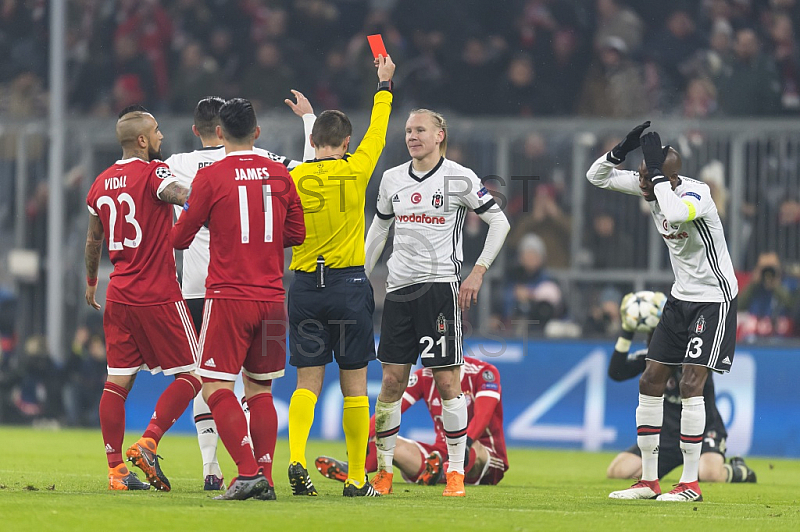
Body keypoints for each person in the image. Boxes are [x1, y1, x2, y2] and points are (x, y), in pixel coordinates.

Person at [165, 93, 315, 491]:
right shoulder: (278, 174)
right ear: (258, 132)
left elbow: (180, 238)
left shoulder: (210, 178)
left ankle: (248, 472)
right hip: (271, 298)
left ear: (218, 133)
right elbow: (297, 233)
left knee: (214, 384)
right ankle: (264, 474)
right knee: (260, 389)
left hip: (228, 297)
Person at [587, 122, 739, 502]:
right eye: (639, 175)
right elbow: (596, 176)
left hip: (713, 299)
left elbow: (673, 213)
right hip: (679, 298)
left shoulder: (696, 194)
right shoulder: (651, 185)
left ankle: (689, 483)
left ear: (669, 175)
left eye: (646, 175)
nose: (639, 182)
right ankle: (649, 481)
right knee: (650, 380)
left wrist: (654, 173)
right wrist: (622, 149)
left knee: (691, 385)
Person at [364, 108, 511, 497]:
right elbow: (380, 228)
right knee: (392, 382)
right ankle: (383, 472)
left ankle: (456, 472)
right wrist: (360, 275)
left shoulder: (460, 178)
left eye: (420, 130)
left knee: (448, 383)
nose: (412, 136)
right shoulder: (392, 178)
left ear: (439, 135)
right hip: (398, 292)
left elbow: (500, 223)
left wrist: (477, 271)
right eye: (409, 130)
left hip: (439, 291)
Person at [285, 54, 395, 498]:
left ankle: (295, 458)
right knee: (353, 384)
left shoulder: (293, 175)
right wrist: (383, 86)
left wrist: (309, 118)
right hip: (348, 287)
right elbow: (379, 132)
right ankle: (355, 479)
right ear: (346, 141)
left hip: (306, 287)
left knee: (307, 381)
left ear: (313, 142)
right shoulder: (354, 169)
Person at [84, 107, 201, 491]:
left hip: (117, 293)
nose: (161, 136)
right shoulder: (155, 173)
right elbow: (179, 195)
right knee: (194, 373)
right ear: (141, 140)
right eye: (156, 131)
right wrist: (206, 199)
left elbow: (93, 239)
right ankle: (149, 441)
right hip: (157, 292)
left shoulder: (100, 183)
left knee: (116, 383)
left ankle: (116, 471)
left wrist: (90, 281)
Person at [607, 292, 756, 484]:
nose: (651, 339)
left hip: (704, 431)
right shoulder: (650, 358)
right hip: (667, 438)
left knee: (710, 474)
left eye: (656, 332)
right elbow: (616, 372)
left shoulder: (695, 356)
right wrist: (627, 331)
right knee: (618, 471)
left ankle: (737, 470)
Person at [315, 356, 508, 487]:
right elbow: (393, 408)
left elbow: (484, 415)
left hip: (486, 454)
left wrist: (467, 442)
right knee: (390, 443)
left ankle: (440, 472)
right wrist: (366, 434)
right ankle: (356, 468)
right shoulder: (424, 376)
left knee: (474, 449)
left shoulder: (483, 372)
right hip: (441, 454)